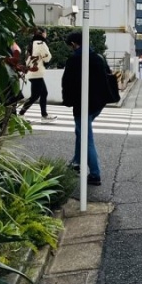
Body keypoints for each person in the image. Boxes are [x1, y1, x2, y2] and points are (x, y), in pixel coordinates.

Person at [61, 31, 110, 186]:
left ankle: (95, 174)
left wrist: (67, 101)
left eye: (71, 46)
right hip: (97, 104)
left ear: (74, 44)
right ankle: (76, 162)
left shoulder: (75, 60)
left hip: (82, 104)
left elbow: (67, 83)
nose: (71, 49)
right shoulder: (98, 58)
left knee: (86, 137)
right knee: (80, 131)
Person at [19, 29, 57, 122]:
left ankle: (44, 115)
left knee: (43, 93)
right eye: (45, 33)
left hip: (31, 72)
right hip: (36, 72)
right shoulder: (40, 43)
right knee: (35, 96)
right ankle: (21, 114)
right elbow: (47, 57)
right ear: (42, 34)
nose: (46, 35)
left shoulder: (31, 43)